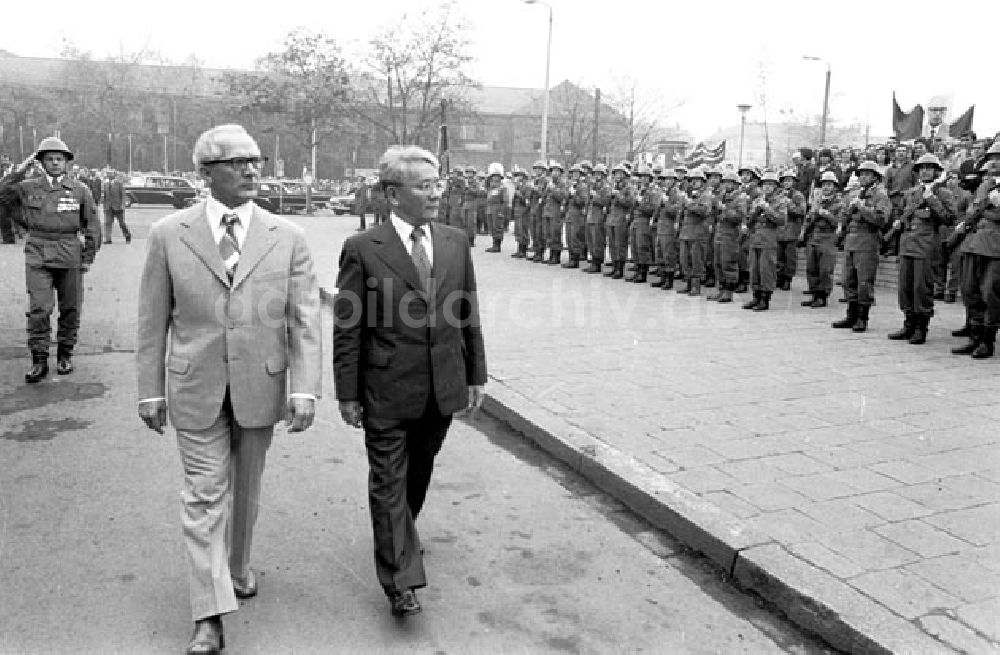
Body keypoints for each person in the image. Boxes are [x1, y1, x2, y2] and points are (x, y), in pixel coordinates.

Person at [135, 124, 322, 654]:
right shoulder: (169, 234)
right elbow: (152, 320)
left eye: (256, 160)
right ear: (205, 172)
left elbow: (304, 317)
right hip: (195, 386)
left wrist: (305, 388)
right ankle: (210, 615)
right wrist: (149, 390)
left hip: (260, 385)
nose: (251, 170)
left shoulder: (288, 237)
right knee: (204, 495)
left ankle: (237, 567)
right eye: (237, 162)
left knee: (246, 491)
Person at [332, 145, 487, 618]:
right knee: (388, 481)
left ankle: (401, 535)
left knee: (417, 475)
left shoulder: (456, 241)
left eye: (436, 184)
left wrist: (476, 374)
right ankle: (401, 579)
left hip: (442, 385)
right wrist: (348, 392)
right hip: (386, 389)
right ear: (392, 194)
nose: (436, 193)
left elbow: (468, 313)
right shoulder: (363, 248)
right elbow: (348, 326)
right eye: (425, 186)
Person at [0, 138, 100, 383]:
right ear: (42, 163)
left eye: (59, 159)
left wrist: (87, 258)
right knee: (39, 309)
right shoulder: (28, 187)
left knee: (70, 308)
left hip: (69, 254)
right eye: (49, 159)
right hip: (38, 254)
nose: (55, 163)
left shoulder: (80, 190)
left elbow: (93, 227)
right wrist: (23, 167)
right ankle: (39, 359)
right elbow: (3, 191)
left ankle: (65, 353)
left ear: (66, 163)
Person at [887, 154, 955, 344]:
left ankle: (921, 328)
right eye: (922, 167)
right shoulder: (910, 193)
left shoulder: (943, 193)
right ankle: (908, 324)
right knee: (905, 287)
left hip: (926, 246)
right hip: (907, 244)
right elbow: (900, 213)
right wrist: (898, 221)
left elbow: (949, 218)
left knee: (921, 288)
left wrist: (932, 199)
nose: (925, 170)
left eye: (929, 167)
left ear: (936, 171)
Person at [832, 161, 891, 332]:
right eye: (861, 174)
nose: (863, 177)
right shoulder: (855, 194)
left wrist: (862, 208)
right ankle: (851, 315)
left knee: (864, 282)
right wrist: (844, 219)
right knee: (847, 280)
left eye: (867, 174)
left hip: (868, 242)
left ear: (875, 177)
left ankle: (862, 317)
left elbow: (881, 220)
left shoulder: (881, 196)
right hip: (851, 241)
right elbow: (844, 216)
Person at [742, 171, 788, 312]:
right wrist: (755, 211)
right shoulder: (757, 200)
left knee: (766, 269)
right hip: (755, 237)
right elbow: (749, 220)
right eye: (765, 184)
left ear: (775, 186)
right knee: (754, 268)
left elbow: (781, 220)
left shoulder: (780, 201)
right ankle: (756, 295)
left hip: (769, 237)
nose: (767, 187)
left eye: (770, 184)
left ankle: (765, 298)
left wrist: (767, 209)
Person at [800, 171, 843, 308]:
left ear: (835, 187)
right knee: (812, 267)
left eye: (829, 185)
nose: (826, 187)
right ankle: (814, 294)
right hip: (814, 236)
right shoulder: (817, 201)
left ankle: (822, 296)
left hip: (828, 237)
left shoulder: (839, 202)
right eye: (824, 184)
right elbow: (808, 219)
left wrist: (828, 215)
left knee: (825, 269)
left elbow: (840, 223)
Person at [707, 170, 747, 303]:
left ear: (736, 184)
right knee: (717, 262)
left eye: (731, 183)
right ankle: (721, 289)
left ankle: (728, 292)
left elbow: (739, 216)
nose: (728, 185)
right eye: (726, 182)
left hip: (730, 234)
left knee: (728, 262)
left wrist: (724, 209)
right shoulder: (722, 196)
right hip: (719, 232)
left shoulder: (740, 198)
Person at [102, 170, 131, 244]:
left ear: (114, 175)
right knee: (107, 223)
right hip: (108, 207)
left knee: (122, 223)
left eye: (110, 174)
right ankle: (108, 239)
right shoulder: (106, 184)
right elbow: (104, 196)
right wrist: (104, 206)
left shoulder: (119, 184)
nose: (109, 176)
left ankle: (127, 235)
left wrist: (122, 206)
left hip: (118, 207)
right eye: (108, 174)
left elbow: (123, 195)